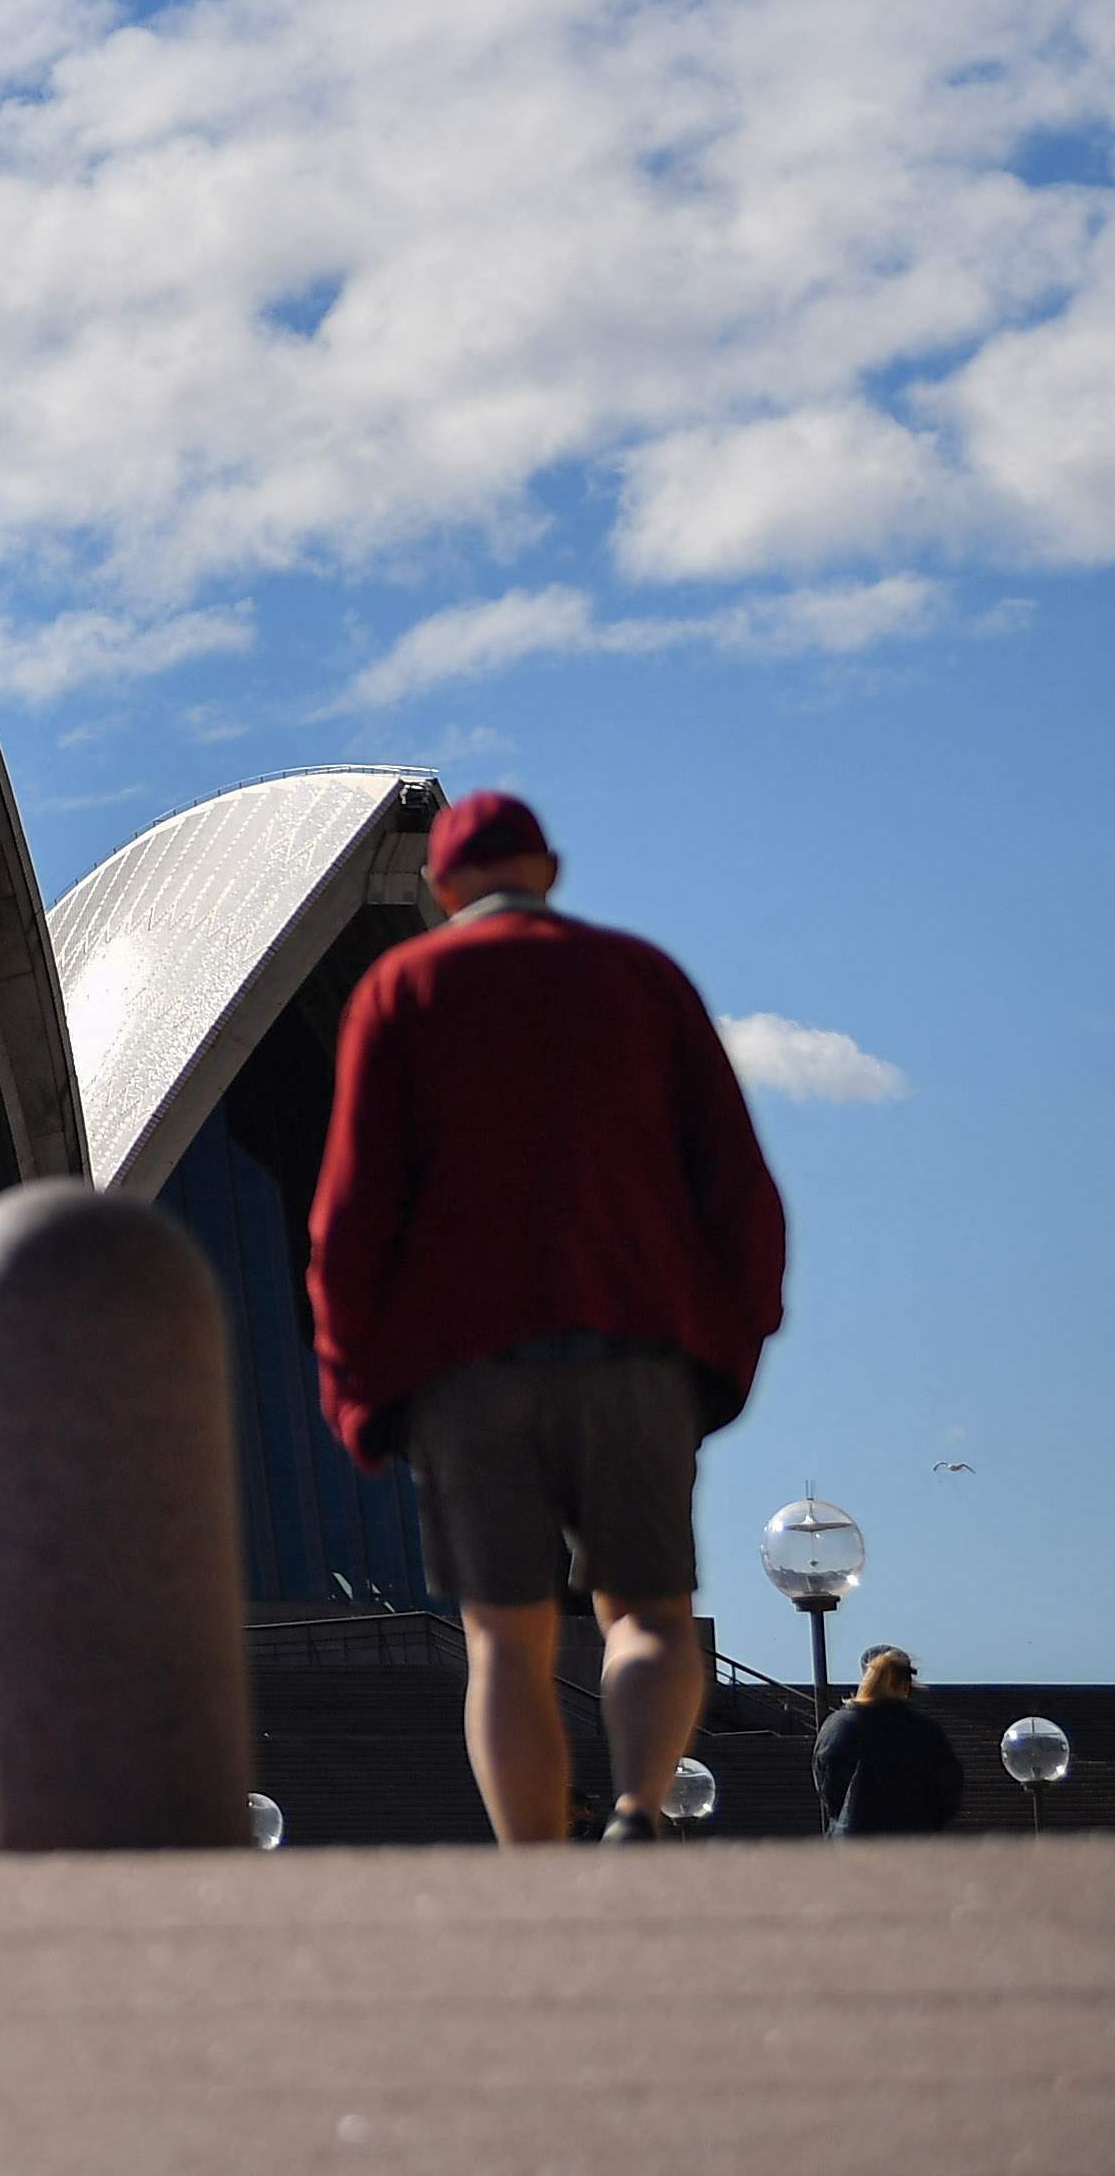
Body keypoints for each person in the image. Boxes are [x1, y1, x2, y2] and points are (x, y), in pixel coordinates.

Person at [310, 788, 784, 1847]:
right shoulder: (643, 978)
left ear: (440, 889)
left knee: (504, 1642)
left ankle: (539, 1878)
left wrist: (354, 1387)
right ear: (549, 872)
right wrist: (726, 1350)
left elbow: (352, 1210)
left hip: (468, 1372)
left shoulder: (404, 986)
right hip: (637, 1356)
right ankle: (633, 1809)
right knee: (650, 1614)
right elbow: (741, 1189)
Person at [816, 1646, 966, 1838]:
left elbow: (827, 1786)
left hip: (850, 1845)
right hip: (913, 1845)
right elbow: (949, 1790)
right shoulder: (925, 1730)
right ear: (906, 1686)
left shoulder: (838, 1725)